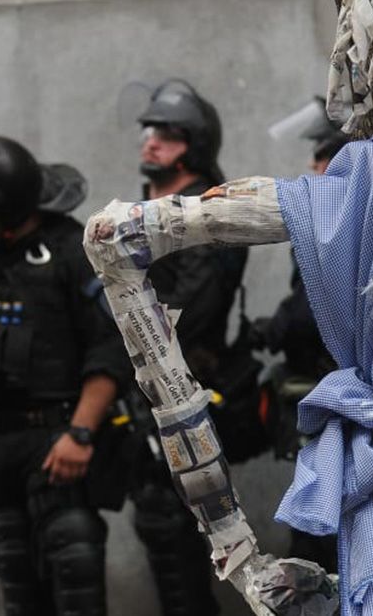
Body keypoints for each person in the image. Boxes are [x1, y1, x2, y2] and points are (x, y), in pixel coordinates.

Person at [0, 136, 129, 615]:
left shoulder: (71, 251)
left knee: (72, 564)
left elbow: (110, 346)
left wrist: (80, 433)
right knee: (16, 575)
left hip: (54, 440)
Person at [128, 79, 246, 616]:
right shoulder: (139, 211)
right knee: (156, 530)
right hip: (139, 396)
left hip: (187, 393)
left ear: (193, 147)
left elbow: (187, 310)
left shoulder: (206, 213)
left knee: (178, 528)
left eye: (168, 136)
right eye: (150, 132)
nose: (151, 143)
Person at [252, 107, 346, 571]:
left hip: (337, 403)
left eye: (323, 156)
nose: (313, 166)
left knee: (318, 539)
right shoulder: (329, 216)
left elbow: (309, 309)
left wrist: (275, 329)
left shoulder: (338, 222)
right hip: (331, 398)